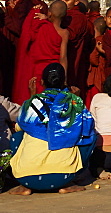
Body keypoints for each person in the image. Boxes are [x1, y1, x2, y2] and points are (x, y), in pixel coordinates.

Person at [9, 64, 95, 195]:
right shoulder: (74, 102)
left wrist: (32, 97)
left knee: (17, 136)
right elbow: (86, 127)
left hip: (26, 177)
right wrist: (77, 99)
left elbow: (20, 127)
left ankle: (24, 186)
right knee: (89, 135)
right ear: (64, 82)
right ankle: (71, 182)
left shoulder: (31, 103)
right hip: (63, 176)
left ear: (42, 82)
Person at [29, 0, 69, 92]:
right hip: (55, 71)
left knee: (38, 98)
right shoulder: (64, 33)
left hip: (38, 70)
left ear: (49, 13)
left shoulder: (41, 26)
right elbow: (63, 57)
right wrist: (64, 79)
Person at [62, 0, 90, 92]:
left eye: (67, 0)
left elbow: (70, 35)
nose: (63, 2)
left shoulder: (78, 17)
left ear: (76, 1)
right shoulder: (65, 13)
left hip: (71, 58)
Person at [86, 17, 107, 107]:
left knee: (92, 101)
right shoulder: (106, 39)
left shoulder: (97, 41)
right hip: (103, 73)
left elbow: (94, 60)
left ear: (94, 28)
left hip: (95, 75)